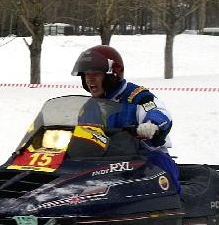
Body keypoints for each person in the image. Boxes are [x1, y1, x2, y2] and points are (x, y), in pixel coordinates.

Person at [71, 45, 180, 193]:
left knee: (159, 167)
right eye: (86, 75)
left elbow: (159, 112)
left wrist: (152, 124)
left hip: (144, 160)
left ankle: (175, 209)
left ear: (112, 75)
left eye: (95, 74)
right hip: (107, 165)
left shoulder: (137, 97)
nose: (90, 79)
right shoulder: (88, 108)